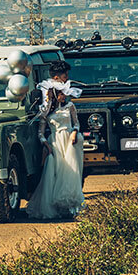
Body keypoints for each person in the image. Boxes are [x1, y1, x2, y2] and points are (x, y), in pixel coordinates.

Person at [27, 61, 85, 219]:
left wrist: (75, 132)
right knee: (57, 171)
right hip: (55, 142)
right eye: (60, 92)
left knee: (70, 171)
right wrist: (46, 144)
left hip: (68, 139)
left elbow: (77, 123)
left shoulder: (70, 106)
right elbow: (40, 132)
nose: (63, 95)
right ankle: (56, 206)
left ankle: (70, 205)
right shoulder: (46, 112)